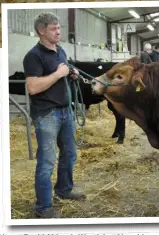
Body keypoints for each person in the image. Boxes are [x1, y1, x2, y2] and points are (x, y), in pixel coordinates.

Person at [23, 12, 86, 219]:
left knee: (70, 154)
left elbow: (62, 72)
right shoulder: (33, 56)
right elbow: (32, 87)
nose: (59, 32)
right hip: (47, 114)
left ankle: (64, 189)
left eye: (59, 28)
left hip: (65, 111)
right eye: (53, 28)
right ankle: (43, 207)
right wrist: (58, 74)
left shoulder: (60, 51)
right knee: (47, 161)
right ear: (41, 31)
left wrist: (70, 74)